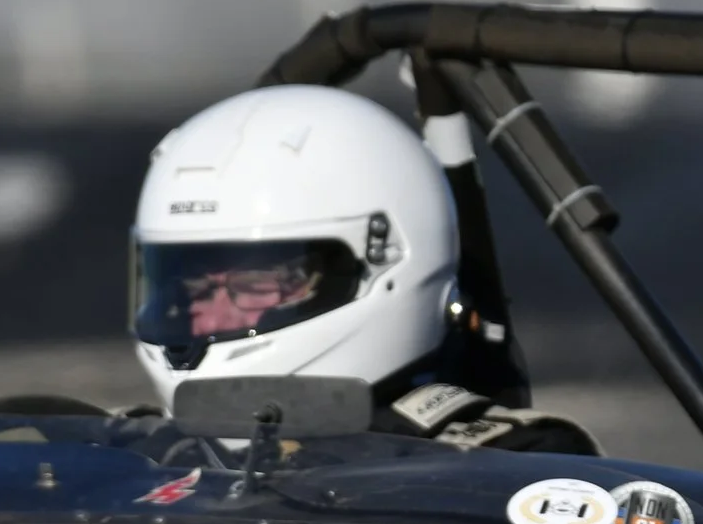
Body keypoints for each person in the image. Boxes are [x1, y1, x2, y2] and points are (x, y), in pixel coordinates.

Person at [129, 83, 597, 455]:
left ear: (383, 260)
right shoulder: (141, 457)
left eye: (254, 284)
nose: (206, 319)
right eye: (191, 288)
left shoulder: (499, 468)